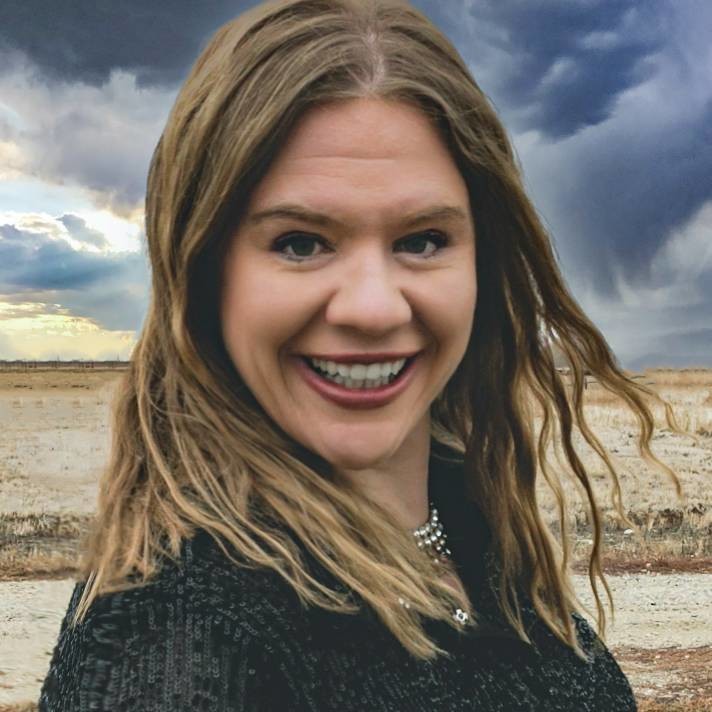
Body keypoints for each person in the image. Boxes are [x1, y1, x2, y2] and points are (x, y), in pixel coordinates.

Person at [38, 0, 685, 709]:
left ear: (484, 263)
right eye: (300, 243)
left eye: (423, 240)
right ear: (203, 272)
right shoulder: (173, 636)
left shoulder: (479, 534)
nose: (374, 309)